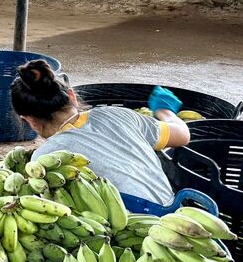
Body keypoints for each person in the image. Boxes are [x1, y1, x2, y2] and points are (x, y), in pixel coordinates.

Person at [11, 59, 190, 204]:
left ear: (30, 121)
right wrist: (164, 110)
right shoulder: (117, 114)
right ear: (72, 96)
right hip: (174, 210)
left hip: (130, 228)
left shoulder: (44, 160)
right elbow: (183, 135)